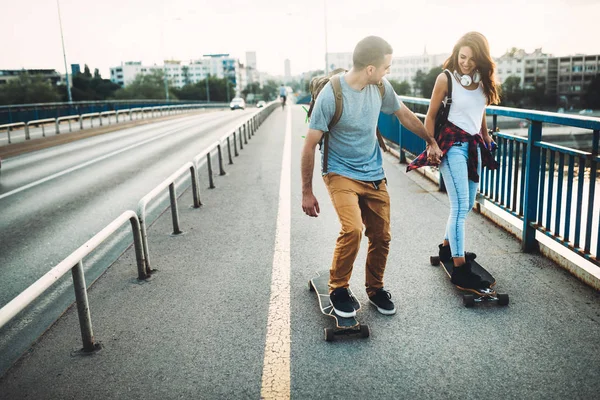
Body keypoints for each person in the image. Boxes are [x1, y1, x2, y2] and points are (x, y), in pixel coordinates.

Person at [301, 36, 442, 317]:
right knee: (352, 229)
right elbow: (309, 144)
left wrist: (431, 141)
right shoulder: (332, 94)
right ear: (369, 68)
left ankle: (375, 289)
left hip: (373, 172)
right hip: (340, 172)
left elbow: (403, 114)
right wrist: (307, 191)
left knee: (381, 235)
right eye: (386, 67)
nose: (387, 72)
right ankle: (339, 288)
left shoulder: (379, 86)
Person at [407, 31, 500, 290]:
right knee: (459, 208)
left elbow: (479, 112)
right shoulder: (445, 78)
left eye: (471, 58)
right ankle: (460, 269)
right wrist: (431, 144)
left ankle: (447, 249)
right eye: (462, 57)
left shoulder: (483, 80)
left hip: (473, 146)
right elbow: (431, 115)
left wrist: (485, 137)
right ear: (456, 53)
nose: (466, 63)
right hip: (451, 146)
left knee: (468, 203)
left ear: (480, 59)